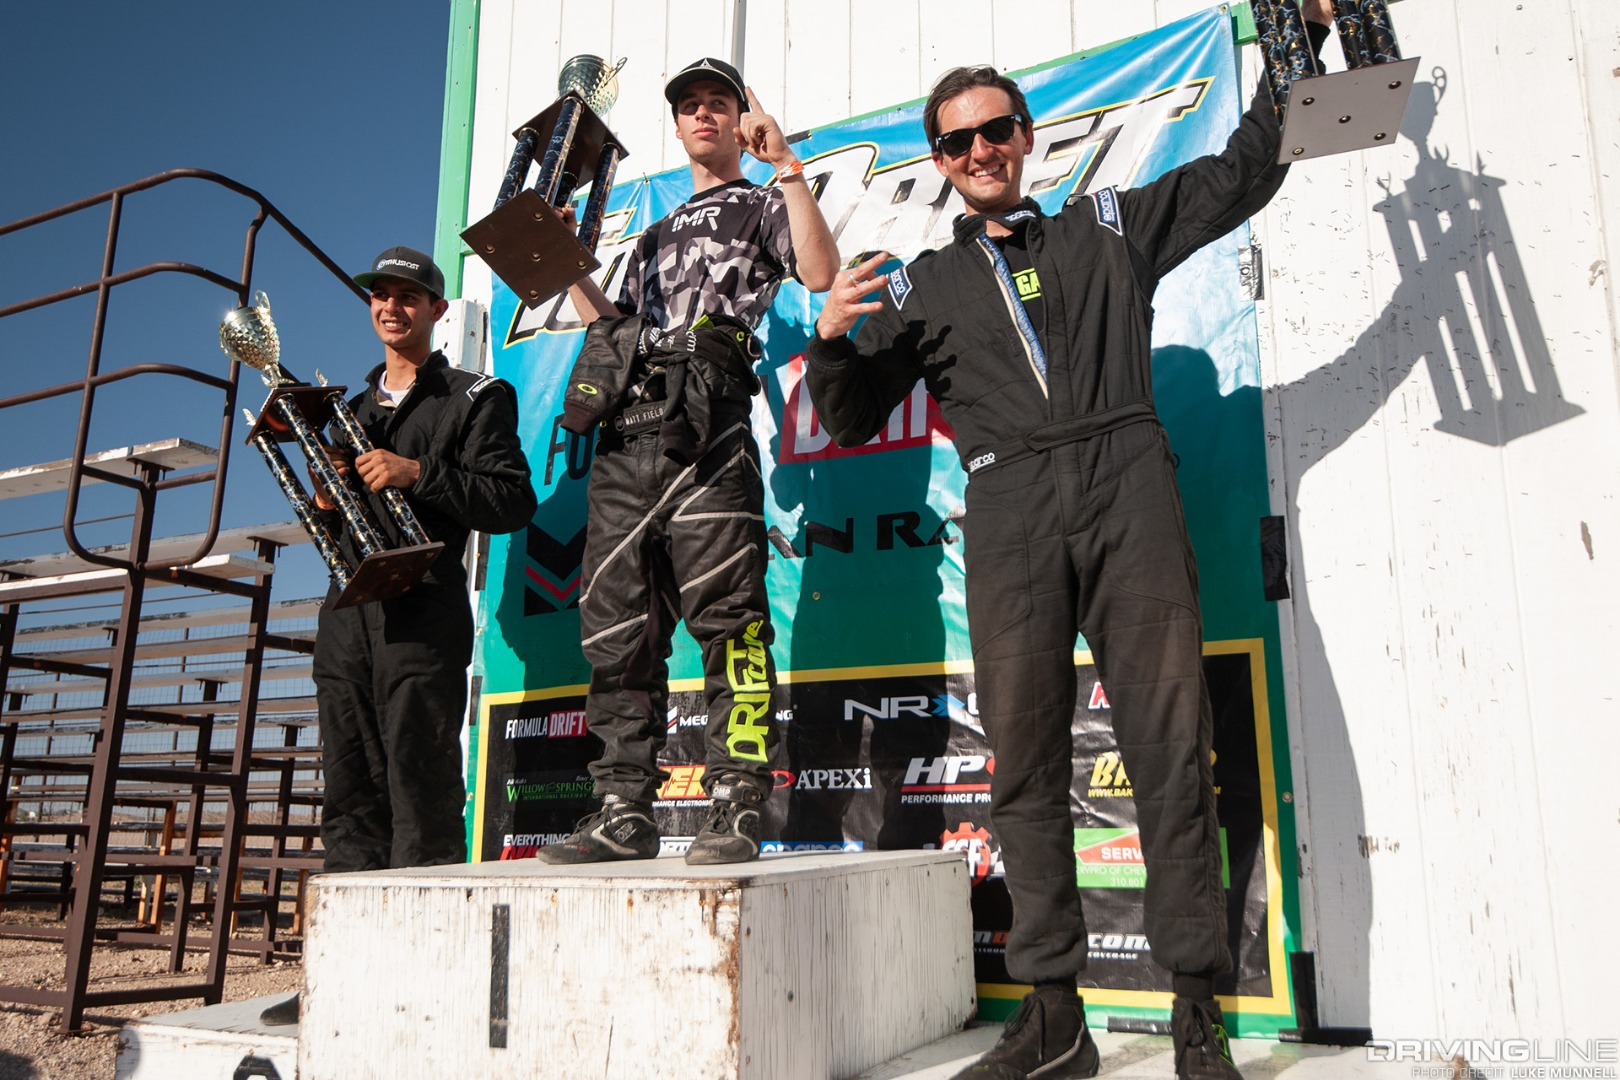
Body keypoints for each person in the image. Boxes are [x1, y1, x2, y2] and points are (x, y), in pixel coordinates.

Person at [803, 10, 1334, 1079]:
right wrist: (825, 342)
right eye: (957, 142)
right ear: (940, 165)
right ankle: (1056, 1019)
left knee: (1171, 756)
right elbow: (854, 416)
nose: (981, 152)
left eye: (996, 129)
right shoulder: (918, 288)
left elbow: (1244, 172)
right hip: (1008, 508)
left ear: (1027, 135)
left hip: (1127, 480)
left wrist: (1300, 42)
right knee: (1029, 771)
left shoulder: (1110, 226)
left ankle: (1197, 1016)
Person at [534, 57, 838, 866]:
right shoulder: (656, 232)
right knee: (617, 635)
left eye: (719, 103)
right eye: (690, 106)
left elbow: (819, 272)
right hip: (627, 437)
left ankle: (737, 806)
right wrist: (564, 264)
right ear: (674, 126)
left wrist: (788, 167)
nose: (703, 115)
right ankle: (621, 809)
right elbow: (616, 326)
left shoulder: (766, 201)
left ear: (740, 119)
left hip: (709, 435)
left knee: (731, 626)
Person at [260, 246, 537, 1026]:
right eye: (379, 295)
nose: (392, 307)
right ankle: (341, 979)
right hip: (346, 616)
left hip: (424, 613)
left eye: (408, 296)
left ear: (437, 310)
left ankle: (429, 980)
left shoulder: (477, 395)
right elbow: (333, 507)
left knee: (420, 788)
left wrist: (418, 475)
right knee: (348, 792)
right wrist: (325, 498)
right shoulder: (341, 408)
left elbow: (514, 500)